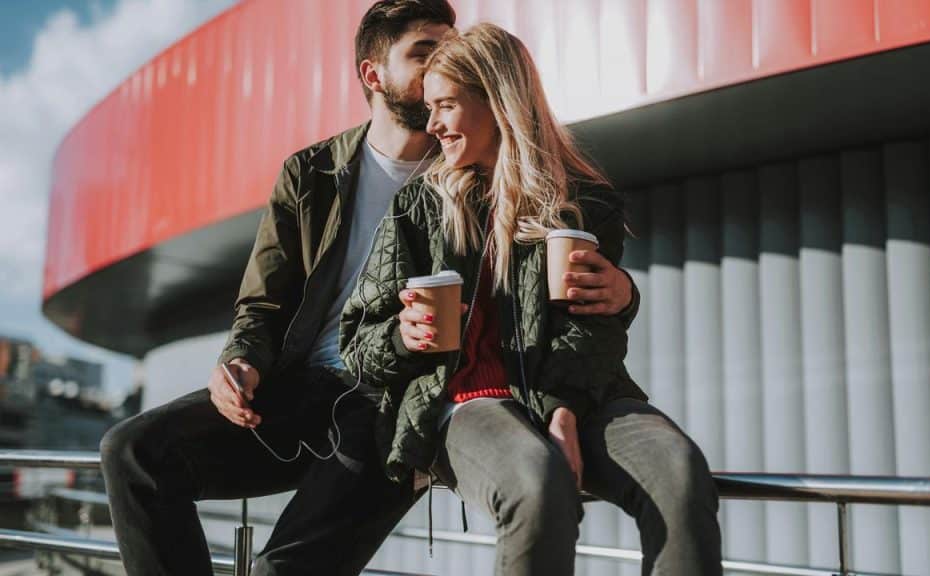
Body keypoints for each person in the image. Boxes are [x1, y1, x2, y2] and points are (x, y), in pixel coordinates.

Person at [98, 2, 638, 575]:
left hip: (394, 400)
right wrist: (239, 360)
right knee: (132, 452)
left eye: (450, 47)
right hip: (298, 390)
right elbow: (263, 301)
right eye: (424, 50)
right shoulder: (311, 173)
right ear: (373, 74)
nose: (444, 62)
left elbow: (536, 276)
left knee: (280, 570)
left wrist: (623, 290)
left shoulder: (471, 162)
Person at [339, 23, 722, 576]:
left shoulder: (584, 201)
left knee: (681, 474)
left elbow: (592, 327)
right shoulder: (418, 209)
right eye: (430, 107)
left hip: (582, 395)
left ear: (496, 98)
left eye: (445, 105)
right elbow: (356, 342)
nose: (434, 124)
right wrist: (404, 335)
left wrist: (563, 410)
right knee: (536, 482)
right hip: (463, 400)